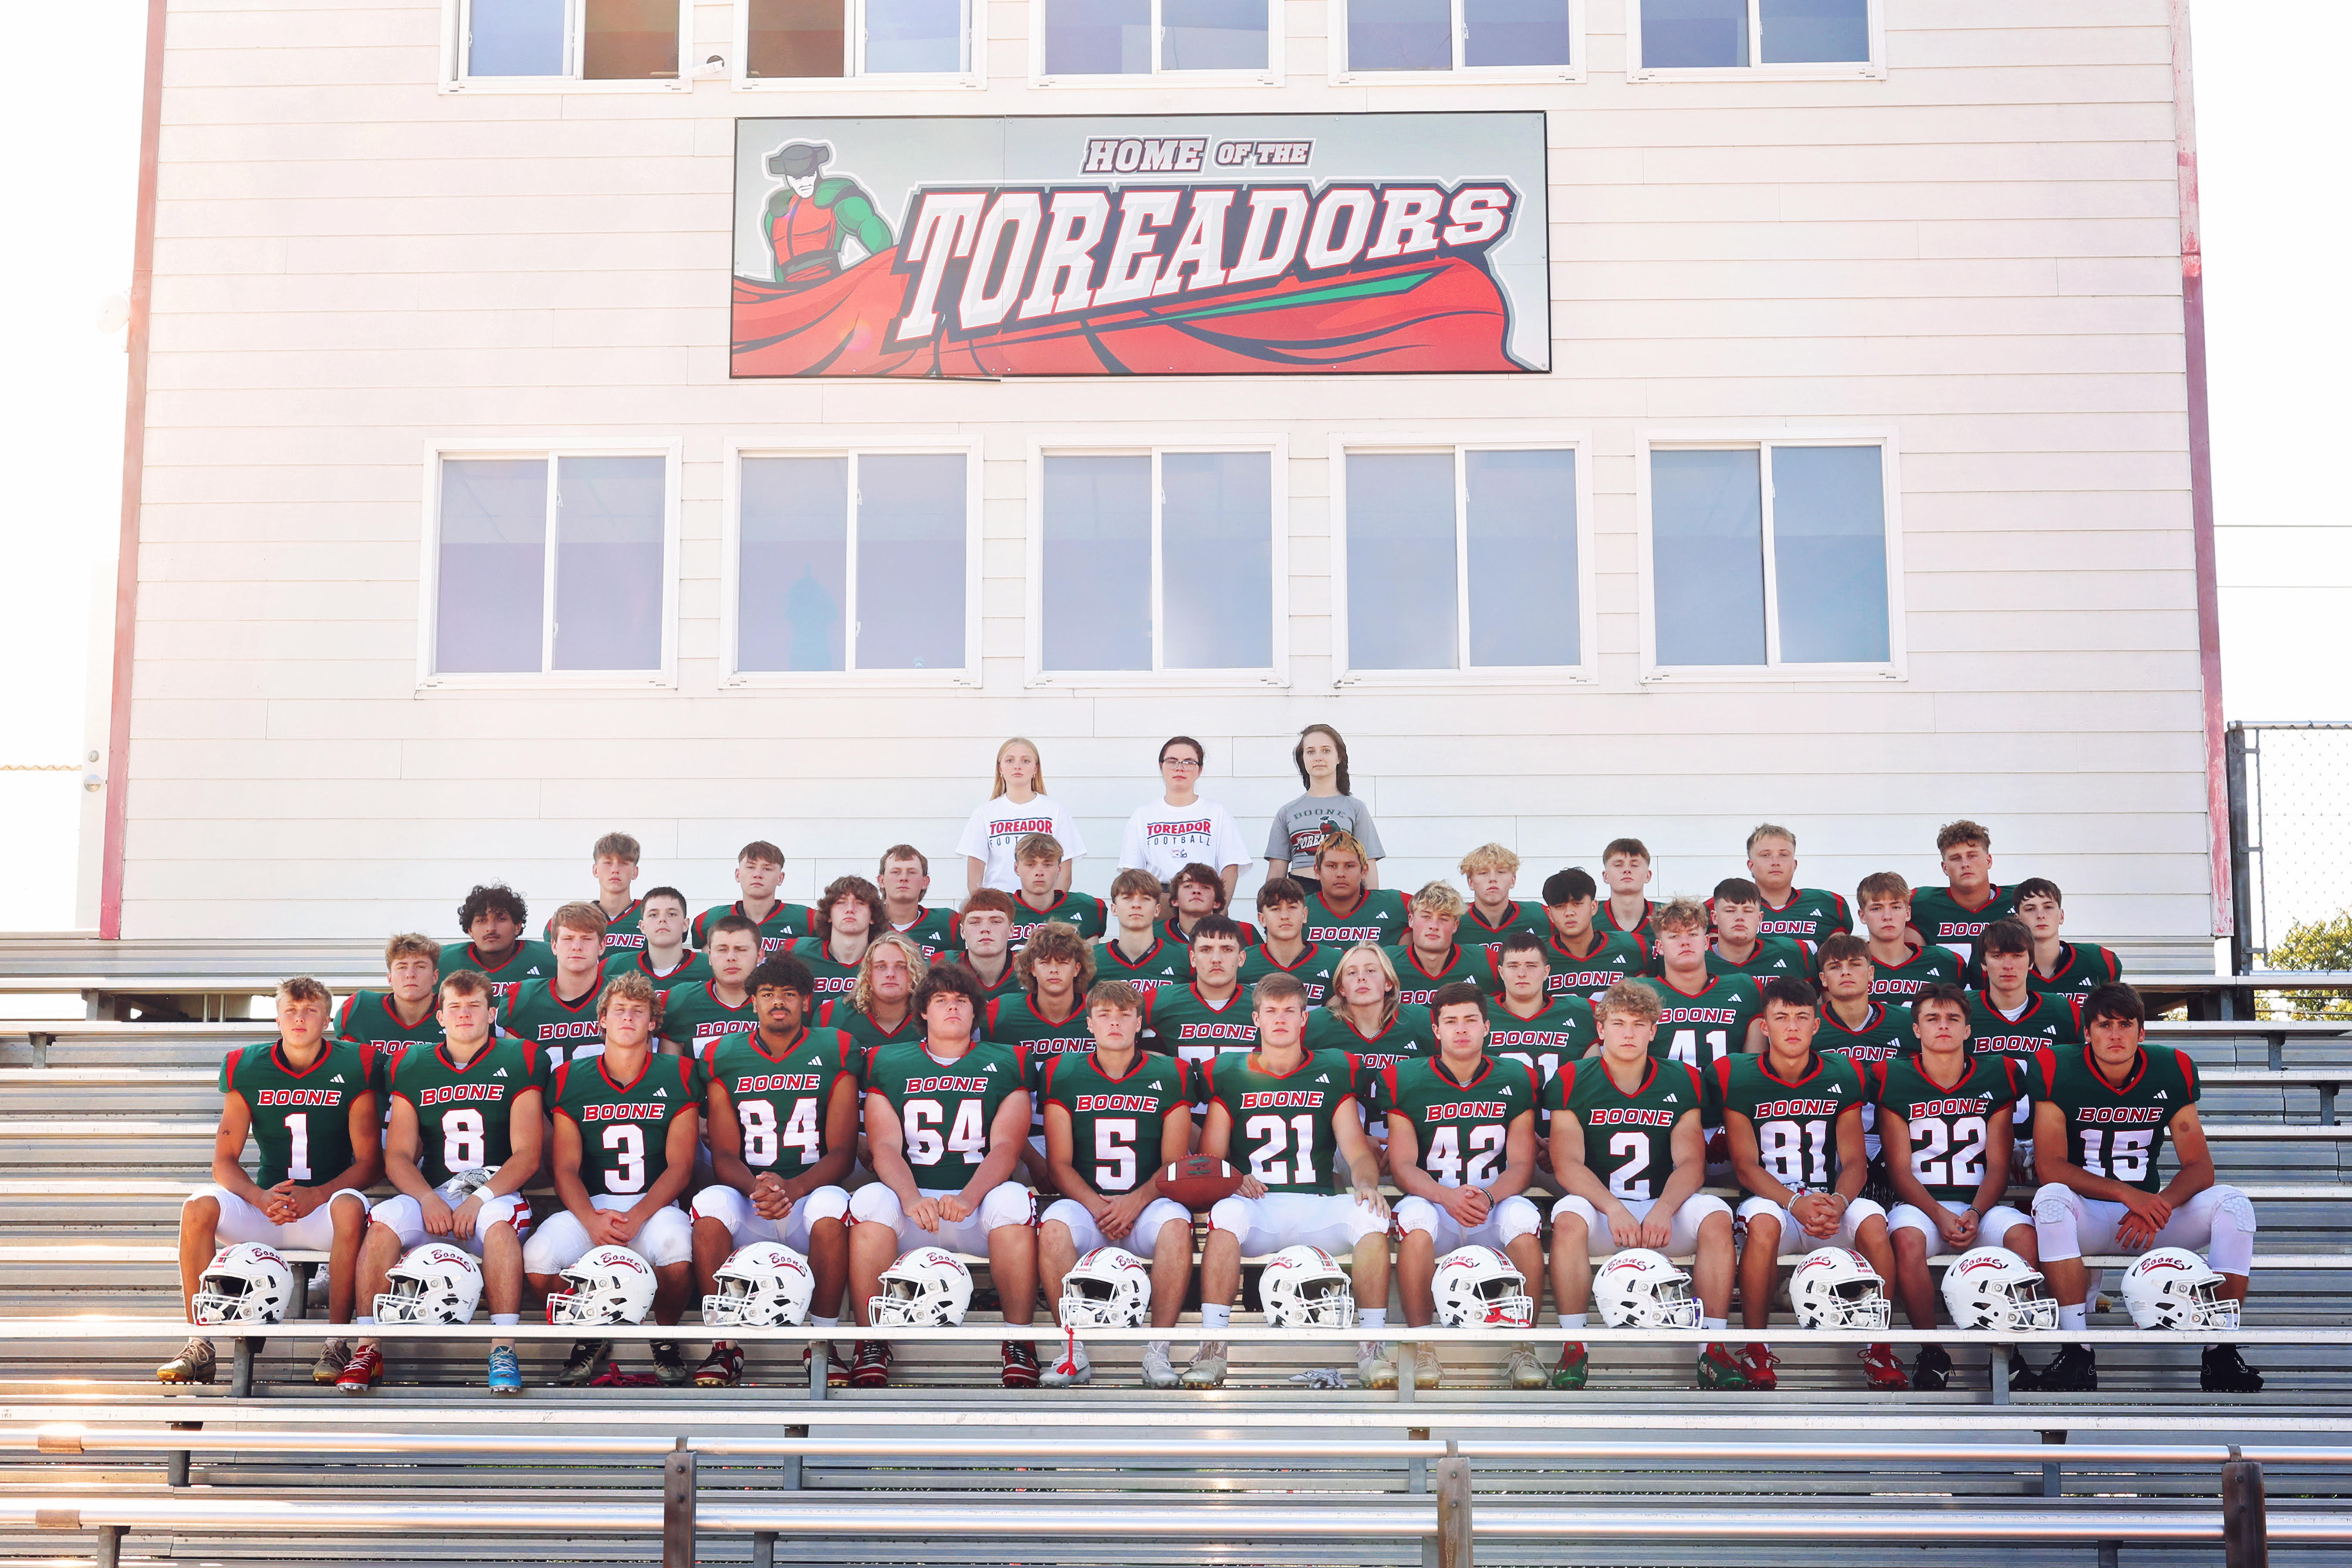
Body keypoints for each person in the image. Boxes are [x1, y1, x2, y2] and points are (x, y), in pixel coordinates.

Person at [2030, 983, 2263, 1393]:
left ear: (2142, 1032)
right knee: (2049, 1201)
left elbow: (2199, 1167)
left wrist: (2159, 1204)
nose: (2115, 1035)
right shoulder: (2056, 1066)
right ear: (2086, 1033)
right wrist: (2126, 1194)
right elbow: (2050, 1166)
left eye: (2126, 1025)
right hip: (2093, 1213)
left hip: (2154, 1219)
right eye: (2104, 1025)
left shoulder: (2171, 1067)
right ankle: (2076, 1350)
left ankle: (2221, 1348)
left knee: (2235, 1205)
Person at [159, 977, 382, 1386]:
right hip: (267, 1207)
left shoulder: (354, 1064)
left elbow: (370, 1164)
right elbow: (224, 1162)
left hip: (322, 1208)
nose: (300, 1018)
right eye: (292, 1011)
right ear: (278, 1017)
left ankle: (336, 1342)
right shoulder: (247, 1065)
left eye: (311, 1010)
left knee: (351, 1207)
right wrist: (259, 1198)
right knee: (198, 1207)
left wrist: (316, 1195)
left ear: (327, 1019)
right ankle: (200, 1341)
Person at [341, 969, 542, 1396]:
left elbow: (527, 1154)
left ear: (492, 1014)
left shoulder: (519, 1059)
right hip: (435, 1191)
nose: (464, 1015)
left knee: (501, 1228)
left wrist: (481, 1197)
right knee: (385, 1222)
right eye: (455, 1007)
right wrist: (426, 1199)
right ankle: (368, 1345)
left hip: (495, 1189)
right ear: (440, 1016)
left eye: (474, 1007)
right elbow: (396, 1154)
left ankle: (503, 1347)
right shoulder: (413, 1065)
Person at [1190, 973, 1393, 1389]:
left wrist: (1367, 1183)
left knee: (1371, 1217)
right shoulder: (1229, 1072)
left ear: (1304, 1018)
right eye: (1271, 1011)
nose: (1280, 1019)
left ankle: (1374, 1346)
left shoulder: (1332, 1069)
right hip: (1258, 1205)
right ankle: (1212, 1347)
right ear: (1256, 1019)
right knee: (1225, 1212)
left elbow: (1355, 1150)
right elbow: (1211, 1156)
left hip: (1317, 1201)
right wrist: (1233, 1176)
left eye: (1289, 1011)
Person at [848, 966, 1041, 1389]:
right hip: (914, 1208)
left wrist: (971, 1198)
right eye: (940, 1000)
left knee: (1013, 1200)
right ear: (923, 1012)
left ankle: (1019, 1340)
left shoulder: (1008, 1062)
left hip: (977, 1206)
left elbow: (1007, 1146)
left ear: (976, 1013)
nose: (952, 1007)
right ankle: (871, 1341)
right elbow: (883, 1146)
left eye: (961, 1000)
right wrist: (911, 1197)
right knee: (869, 1203)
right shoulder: (888, 1061)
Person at [1545, 979, 1742, 1392]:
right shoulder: (1572, 1078)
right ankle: (1574, 1345)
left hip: (1660, 1212)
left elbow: (1692, 1162)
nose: (1629, 1033)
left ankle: (1713, 1348)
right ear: (1601, 1029)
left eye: (1639, 1024)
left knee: (1716, 1217)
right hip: (1603, 1214)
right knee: (1567, 1216)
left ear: (1655, 1030)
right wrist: (1613, 1208)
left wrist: (1665, 1208)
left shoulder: (1682, 1078)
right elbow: (1567, 1165)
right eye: (1618, 1023)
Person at [1714, 977, 1905, 1392]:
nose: (1793, 1027)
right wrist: (1794, 1203)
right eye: (1781, 1018)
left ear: (1817, 1026)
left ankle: (1881, 1346)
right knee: (1763, 1225)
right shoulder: (1739, 1074)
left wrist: (1839, 1200)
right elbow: (1745, 1166)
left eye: (1802, 1017)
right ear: (1764, 1026)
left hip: (1826, 1201)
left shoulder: (1840, 1071)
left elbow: (1855, 1159)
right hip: (1770, 1201)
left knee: (1873, 1221)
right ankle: (1757, 1346)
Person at [691, 955, 860, 1389]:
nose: (777, 1003)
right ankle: (724, 1345)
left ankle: (822, 1341)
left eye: (788, 994)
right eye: (767, 995)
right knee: (709, 1204)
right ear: (753, 1004)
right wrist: (758, 1186)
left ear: (806, 1002)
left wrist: (794, 1187)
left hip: (809, 1193)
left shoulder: (835, 1047)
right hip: (755, 1201)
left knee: (832, 1205)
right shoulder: (724, 1055)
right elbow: (724, 1153)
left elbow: (843, 1151)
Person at [524, 973, 700, 1388]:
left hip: (653, 1206)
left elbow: (680, 1166)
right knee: (537, 1260)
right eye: (619, 1010)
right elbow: (564, 1166)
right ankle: (592, 1329)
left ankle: (664, 1335)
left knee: (677, 1251)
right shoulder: (570, 1077)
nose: (628, 1018)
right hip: (594, 1204)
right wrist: (590, 1219)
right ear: (601, 1018)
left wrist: (638, 1215)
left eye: (639, 1012)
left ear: (653, 1023)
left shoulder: (678, 1073)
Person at [1877, 983, 2041, 1392]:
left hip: (1979, 1203)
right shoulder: (1893, 1077)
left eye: (1953, 1019)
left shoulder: (1996, 1074)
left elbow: (2000, 1164)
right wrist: (1941, 1214)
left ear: (1969, 1029)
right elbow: (1899, 1170)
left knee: (2024, 1236)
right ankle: (1931, 1350)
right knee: (1909, 1241)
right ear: (1916, 1029)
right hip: (1922, 1205)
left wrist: (1975, 1213)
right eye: (1932, 1018)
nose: (1943, 1027)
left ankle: (2007, 1348)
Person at [1387, 982, 1548, 1390]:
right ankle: (1423, 1345)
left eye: (1470, 1021)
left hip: (1490, 1204)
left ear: (1487, 1027)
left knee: (1524, 1219)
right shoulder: (1406, 1077)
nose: (1462, 1029)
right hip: (1436, 1201)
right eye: (1451, 1021)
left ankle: (1522, 1347)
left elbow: (1523, 1165)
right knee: (1416, 1218)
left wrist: (1490, 1196)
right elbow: (1402, 1164)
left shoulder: (1517, 1077)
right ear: (1436, 1030)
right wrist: (1446, 1197)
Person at [1037, 981, 1196, 1388]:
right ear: (1088, 1023)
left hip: (1147, 1204)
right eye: (1105, 1015)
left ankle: (1158, 1351)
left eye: (1125, 1015)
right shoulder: (1064, 1071)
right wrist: (1098, 1206)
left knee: (1177, 1225)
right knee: (1053, 1226)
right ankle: (1072, 1352)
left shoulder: (1170, 1072)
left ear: (1139, 1022)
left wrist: (1133, 1203)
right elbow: (1059, 1164)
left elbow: (1174, 1164)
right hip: (1089, 1205)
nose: (1115, 1023)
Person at [983, 920, 1098, 1185]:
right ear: (1032, 968)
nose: (1055, 970)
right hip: (1024, 1138)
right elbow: (987, 1091)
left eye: (1063, 961)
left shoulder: (1100, 1011)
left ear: (1077, 967)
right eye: (1046, 962)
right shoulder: (1002, 1013)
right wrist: (1031, 1157)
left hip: (1088, 1136)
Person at [1646, 899, 1767, 1075]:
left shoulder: (1744, 988)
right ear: (1660, 947)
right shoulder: (1641, 994)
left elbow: (1754, 1068)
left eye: (1693, 934)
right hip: (1665, 1099)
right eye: (1674, 936)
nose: (1685, 942)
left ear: (1706, 942)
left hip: (1728, 1097)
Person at [1120, 735, 1249, 896]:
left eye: (1189, 762)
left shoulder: (1218, 813)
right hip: (1157, 898)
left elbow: (1230, 868)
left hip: (1202, 897)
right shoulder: (1143, 815)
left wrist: (1219, 909)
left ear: (1200, 770)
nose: (1180, 768)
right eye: (1172, 761)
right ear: (1162, 766)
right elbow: (1131, 873)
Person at [1264, 723, 1383, 896]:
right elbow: (1276, 872)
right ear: (1302, 759)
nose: (1318, 757)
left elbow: (1369, 864)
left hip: (1345, 892)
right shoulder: (1287, 812)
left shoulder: (1356, 808)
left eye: (1326, 751)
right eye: (1311, 752)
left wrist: (1373, 906)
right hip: (1302, 893)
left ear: (1339, 758)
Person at [1140, 914, 1259, 1085]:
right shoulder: (1160, 1000)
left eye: (1227, 949)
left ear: (1241, 958)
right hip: (1184, 1109)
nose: (1216, 959)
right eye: (1206, 950)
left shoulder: (1264, 1004)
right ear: (1193, 959)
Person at [958, 737, 1086, 896]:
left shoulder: (1056, 811)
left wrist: (1052, 905)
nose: (1017, 766)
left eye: (1025, 761)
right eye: (1010, 760)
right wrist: (988, 909)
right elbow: (974, 877)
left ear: (1036, 769)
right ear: (1000, 769)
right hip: (1000, 907)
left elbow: (1065, 871)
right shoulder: (985, 814)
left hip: (1043, 906)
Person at [498, 903, 611, 1074]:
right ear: (554, 945)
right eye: (568, 938)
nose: (577, 947)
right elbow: (512, 1072)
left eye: (587, 938)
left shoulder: (620, 997)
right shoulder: (524, 998)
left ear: (602, 946)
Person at [1307, 942, 1437, 1087]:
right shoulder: (1317, 1024)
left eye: (1371, 971)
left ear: (1388, 983)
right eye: (1352, 973)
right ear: (1342, 989)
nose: (1361, 978)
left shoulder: (1420, 1020)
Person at [1487, 929, 1598, 1092]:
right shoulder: (1479, 1013)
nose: (1522, 974)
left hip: (1561, 1116)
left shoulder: (1578, 1012)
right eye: (1513, 966)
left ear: (1546, 972)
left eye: (1531, 966)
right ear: (1501, 972)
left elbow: (1596, 1081)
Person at [334, 933, 446, 1090]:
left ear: (435, 977)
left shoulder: (454, 1013)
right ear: (390, 978)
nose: (410, 974)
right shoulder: (360, 1009)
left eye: (420, 966)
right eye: (402, 967)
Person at [1907, 820, 2019, 968]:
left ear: (1989, 860)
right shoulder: (1922, 902)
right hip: (1945, 991)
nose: (1965, 864)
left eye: (1972, 856)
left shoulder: (2020, 900)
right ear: (1945, 867)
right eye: (1956, 858)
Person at [657, 915, 763, 1058]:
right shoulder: (682, 1000)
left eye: (741, 949)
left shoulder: (776, 1001)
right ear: (710, 957)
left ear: (760, 955)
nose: (731, 957)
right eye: (722, 950)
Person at [1535, 867, 1643, 1002]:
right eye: (1560, 906)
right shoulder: (1536, 954)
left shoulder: (1630, 947)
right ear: (1550, 915)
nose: (1569, 913)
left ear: (1594, 907)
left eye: (1577, 904)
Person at [1855, 872, 1966, 1003]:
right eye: (1877, 909)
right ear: (1862, 916)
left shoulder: (1944, 962)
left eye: (1895, 907)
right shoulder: (1850, 966)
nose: (1887, 917)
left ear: (1908, 913)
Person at [1384, 881, 1499, 1006]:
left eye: (1444, 919)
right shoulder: (1385, 961)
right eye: (1426, 917)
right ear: (1411, 920)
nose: (1434, 926)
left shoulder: (1485, 961)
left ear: (1455, 926)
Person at [1742, 825, 1853, 952]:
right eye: (1766, 855)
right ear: (1751, 865)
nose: (1775, 862)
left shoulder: (1827, 904)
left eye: (1783, 855)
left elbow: (1842, 960)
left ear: (1794, 865)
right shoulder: (1729, 907)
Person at [694, 841, 811, 959]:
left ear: (780, 878)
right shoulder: (711, 919)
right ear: (738, 875)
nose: (758, 874)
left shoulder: (806, 919)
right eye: (751, 867)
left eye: (767, 869)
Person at [2011, 878, 2124, 1000]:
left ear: (2061, 916)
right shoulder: (2005, 967)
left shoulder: (2098, 961)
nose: (2040, 916)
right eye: (2030, 909)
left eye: (2048, 907)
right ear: (2018, 920)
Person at [816, 933, 928, 1051]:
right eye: (881, 967)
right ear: (867, 973)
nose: (890, 974)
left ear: (915, 972)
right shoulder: (833, 1015)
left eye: (901, 967)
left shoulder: (933, 1017)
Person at [1239, 877, 1340, 1007]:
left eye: (1292, 907)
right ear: (1262, 919)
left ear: (1304, 915)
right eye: (1275, 909)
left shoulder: (1334, 961)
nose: (1285, 916)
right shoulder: (1242, 963)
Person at [1299, 831, 1409, 949]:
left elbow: (1430, 906)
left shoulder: (1395, 903)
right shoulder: (1298, 907)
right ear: (1317, 871)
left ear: (1364, 871)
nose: (1340, 874)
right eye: (1332, 866)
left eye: (1350, 866)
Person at [1094, 869, 1194, 997]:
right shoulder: (1093, 959)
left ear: (1157, 910)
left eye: (1145, 899)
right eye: (1127, 898)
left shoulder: (1185, 957)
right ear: (1114, 909)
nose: (1136, 905)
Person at [549, 831, 647, 954]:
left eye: (623, 864)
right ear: (596, 870)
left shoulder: (651, 916)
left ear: (635, 872)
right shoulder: (570, 920)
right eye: (608, 863)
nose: (615, 870)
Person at [1696, 879, 1807, 986]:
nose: (1740, 918)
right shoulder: (1697, 958)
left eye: (1748, 911)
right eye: (1730, 911)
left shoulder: (1791, 953)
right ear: (1715, 918)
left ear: (1760, 918)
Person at [440, 883, 554, 985]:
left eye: (501, 919)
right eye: (482, 920)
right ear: (470, 930)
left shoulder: (551, 957)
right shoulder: (442, 961)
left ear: (517, 927)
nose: (491, 929)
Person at [792, 875, 883, 997]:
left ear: (873, 916)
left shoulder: (887, 959)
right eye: (841, 903)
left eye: (860, 903)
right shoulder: (798, 953)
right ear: (829, 914)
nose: (850, 909)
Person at [1007, 834, 1108, 944]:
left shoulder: (1085, 907)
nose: (1039, 873)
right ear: (1017, 869)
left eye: (1048, 865)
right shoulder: (1001, 909)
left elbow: (1091, 959)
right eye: (1031, 865)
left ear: (1059, 869)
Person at [878, 845, 960, 962]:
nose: (904, 878)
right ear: (882, 881)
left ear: (925, 882)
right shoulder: (867, 922)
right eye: (896, 872)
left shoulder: (948, 922)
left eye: (912, 872)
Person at [1459, 843, 1545, 948]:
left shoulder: (1539, 916)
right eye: (1483, 873)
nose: (1493, 879)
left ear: (1513, 880)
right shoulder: (1455, 920)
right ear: (1471, 882)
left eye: (1501, 872)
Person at [953, 888, 1028, 1004]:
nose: (985, 929)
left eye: (996, 922)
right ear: (963, 932)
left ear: (1011, 930)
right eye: (975, 922)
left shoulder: (1029, 967)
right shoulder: (942, 964)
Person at [1162, 861, 1258, 948]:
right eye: (1188, 886)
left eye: (1205, 887)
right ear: (1175, 900)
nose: (1196, 891)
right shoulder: (1156, 934)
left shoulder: (1245, 932)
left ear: (1217, 903)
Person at [630, 887, 709, 986]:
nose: (662, 919)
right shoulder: (619, 966)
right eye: (654, 915)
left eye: (672, 914)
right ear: (642, 927)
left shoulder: (711, 967)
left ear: (685, 925)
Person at [1596, 838, 1661, 952]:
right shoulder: (1589, 918)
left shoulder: (1668, 916)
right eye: (1618, 865)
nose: (1627, 870)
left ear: (1648, 876)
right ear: (1606, 876)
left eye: (1635, 865)